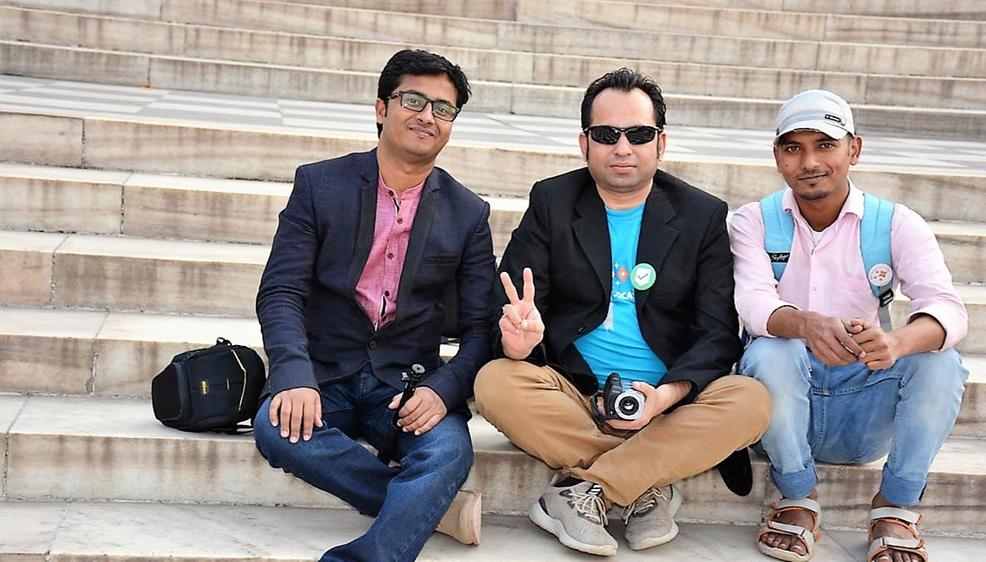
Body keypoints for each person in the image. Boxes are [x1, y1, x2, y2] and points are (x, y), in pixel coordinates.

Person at [473, 68, 772, 557]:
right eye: (606, 135)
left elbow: (718, 335)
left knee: (752, 398)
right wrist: (517, 342)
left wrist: (663, 397)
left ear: (661, 143)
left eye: (639, 134)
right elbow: (511, 307)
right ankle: (644, 482)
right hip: (577, 396)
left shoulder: (701, 215)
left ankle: (587, 490)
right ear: (584, 142)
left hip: (668, 403)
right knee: (495, 381)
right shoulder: (552, 201)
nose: (622, 147)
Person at [253, 49, 495, 562]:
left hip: (406, 385)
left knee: (449, 451)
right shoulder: (320, 185)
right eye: (414, 100)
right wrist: (293, 373)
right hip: (326, 374)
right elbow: (281, 291)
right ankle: (430, 508)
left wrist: (443, 387)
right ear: (382, 108)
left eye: (443, 108)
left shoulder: (469, 212)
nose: (427, 116)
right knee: (275, 427)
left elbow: (480, 328)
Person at [730, 89, 969, 562]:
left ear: (853, 149)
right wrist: (804, 324)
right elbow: (751, 301)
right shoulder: (753, 221)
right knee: (771, 348)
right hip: (778, 410)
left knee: (942, 364)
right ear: (777, 156)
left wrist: (895, 343)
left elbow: (948, 308)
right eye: (793, 147)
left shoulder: (897, 223)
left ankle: (895, 506)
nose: (810, 161)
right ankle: (796, 496)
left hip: (862, 406)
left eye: (825, 144)